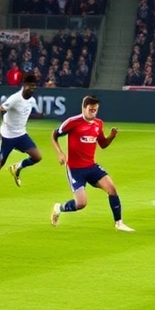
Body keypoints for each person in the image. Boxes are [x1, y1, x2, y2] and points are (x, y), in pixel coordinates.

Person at [49, 95, 134, 232]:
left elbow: (102, 144)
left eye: (95, 110)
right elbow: (54, 134)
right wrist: (60, 152)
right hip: (75, 169)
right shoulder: (72, 122)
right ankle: (59, 208)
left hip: (91, 166)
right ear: (84, 108)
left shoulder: (98, 123)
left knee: (112, 189)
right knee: (81, 203)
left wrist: (111, 137)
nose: (93, 112)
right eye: (90, 110)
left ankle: (119, 223)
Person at [0, 74, 43, 194]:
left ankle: (17, 167)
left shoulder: (32, 100)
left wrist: (37, 116)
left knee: (37, 157)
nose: (33, 89)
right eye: (30, 86)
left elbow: (24, 115)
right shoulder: (15, 99)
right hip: (8, 136)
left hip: (21, 135)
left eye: (34, 86)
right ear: (24, 85)